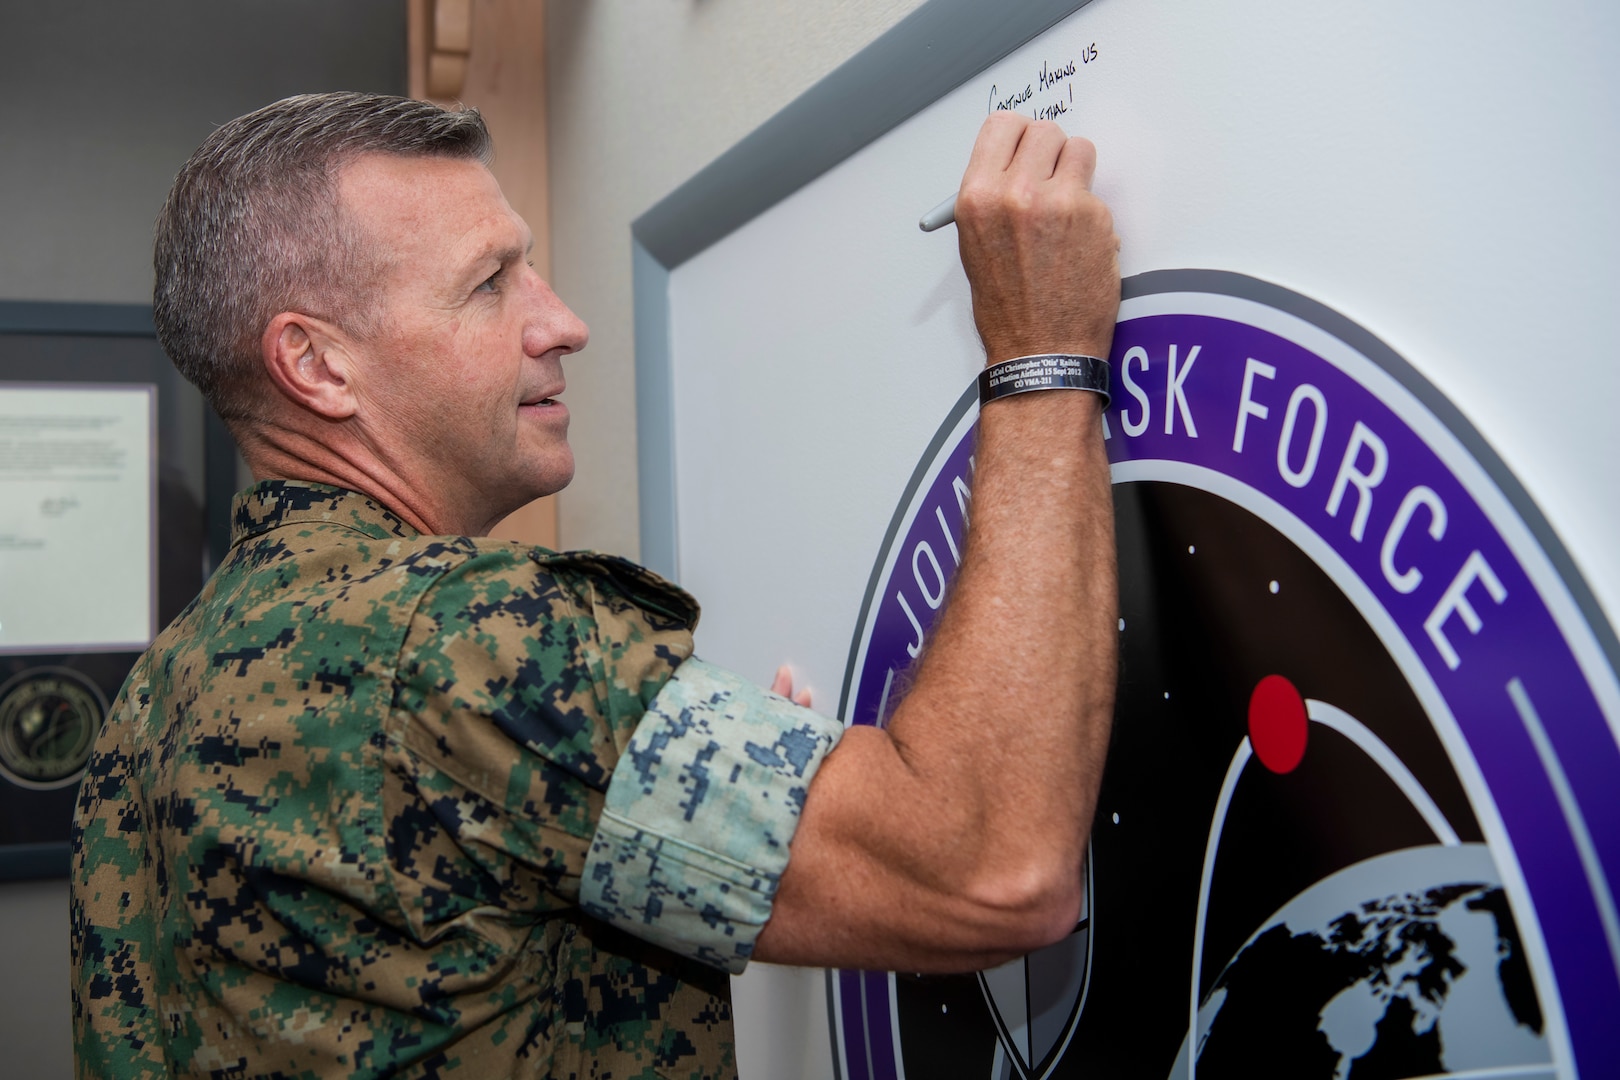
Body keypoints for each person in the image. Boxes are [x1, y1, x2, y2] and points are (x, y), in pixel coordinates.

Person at [70, 92, 1120, 1079]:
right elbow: (992, 869)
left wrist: (752, 825)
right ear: (318, 366)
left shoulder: (153, 705)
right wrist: (1041, 357)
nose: (561, 321)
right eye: (490, 283)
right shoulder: (466, 638)